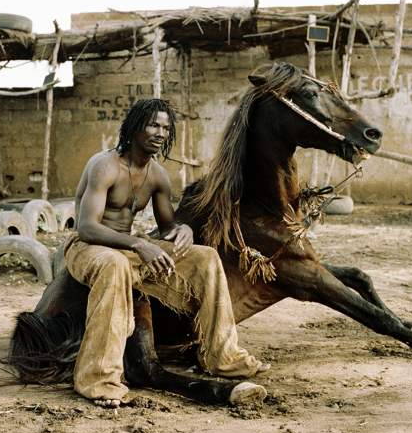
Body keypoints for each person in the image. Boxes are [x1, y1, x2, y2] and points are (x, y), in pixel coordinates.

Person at [65, 98, 270, 408]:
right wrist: (139, 244)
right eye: (153, 125)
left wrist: (183, 230)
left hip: (128, 245)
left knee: (205, 258)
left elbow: (168, 227)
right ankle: (99, 379)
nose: (160, 132)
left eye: (165, 127)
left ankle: (223, 357)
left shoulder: (158, 175)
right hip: (91, 247)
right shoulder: (104, 165)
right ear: (135, 128)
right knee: (115, 264)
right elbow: (87, 228)